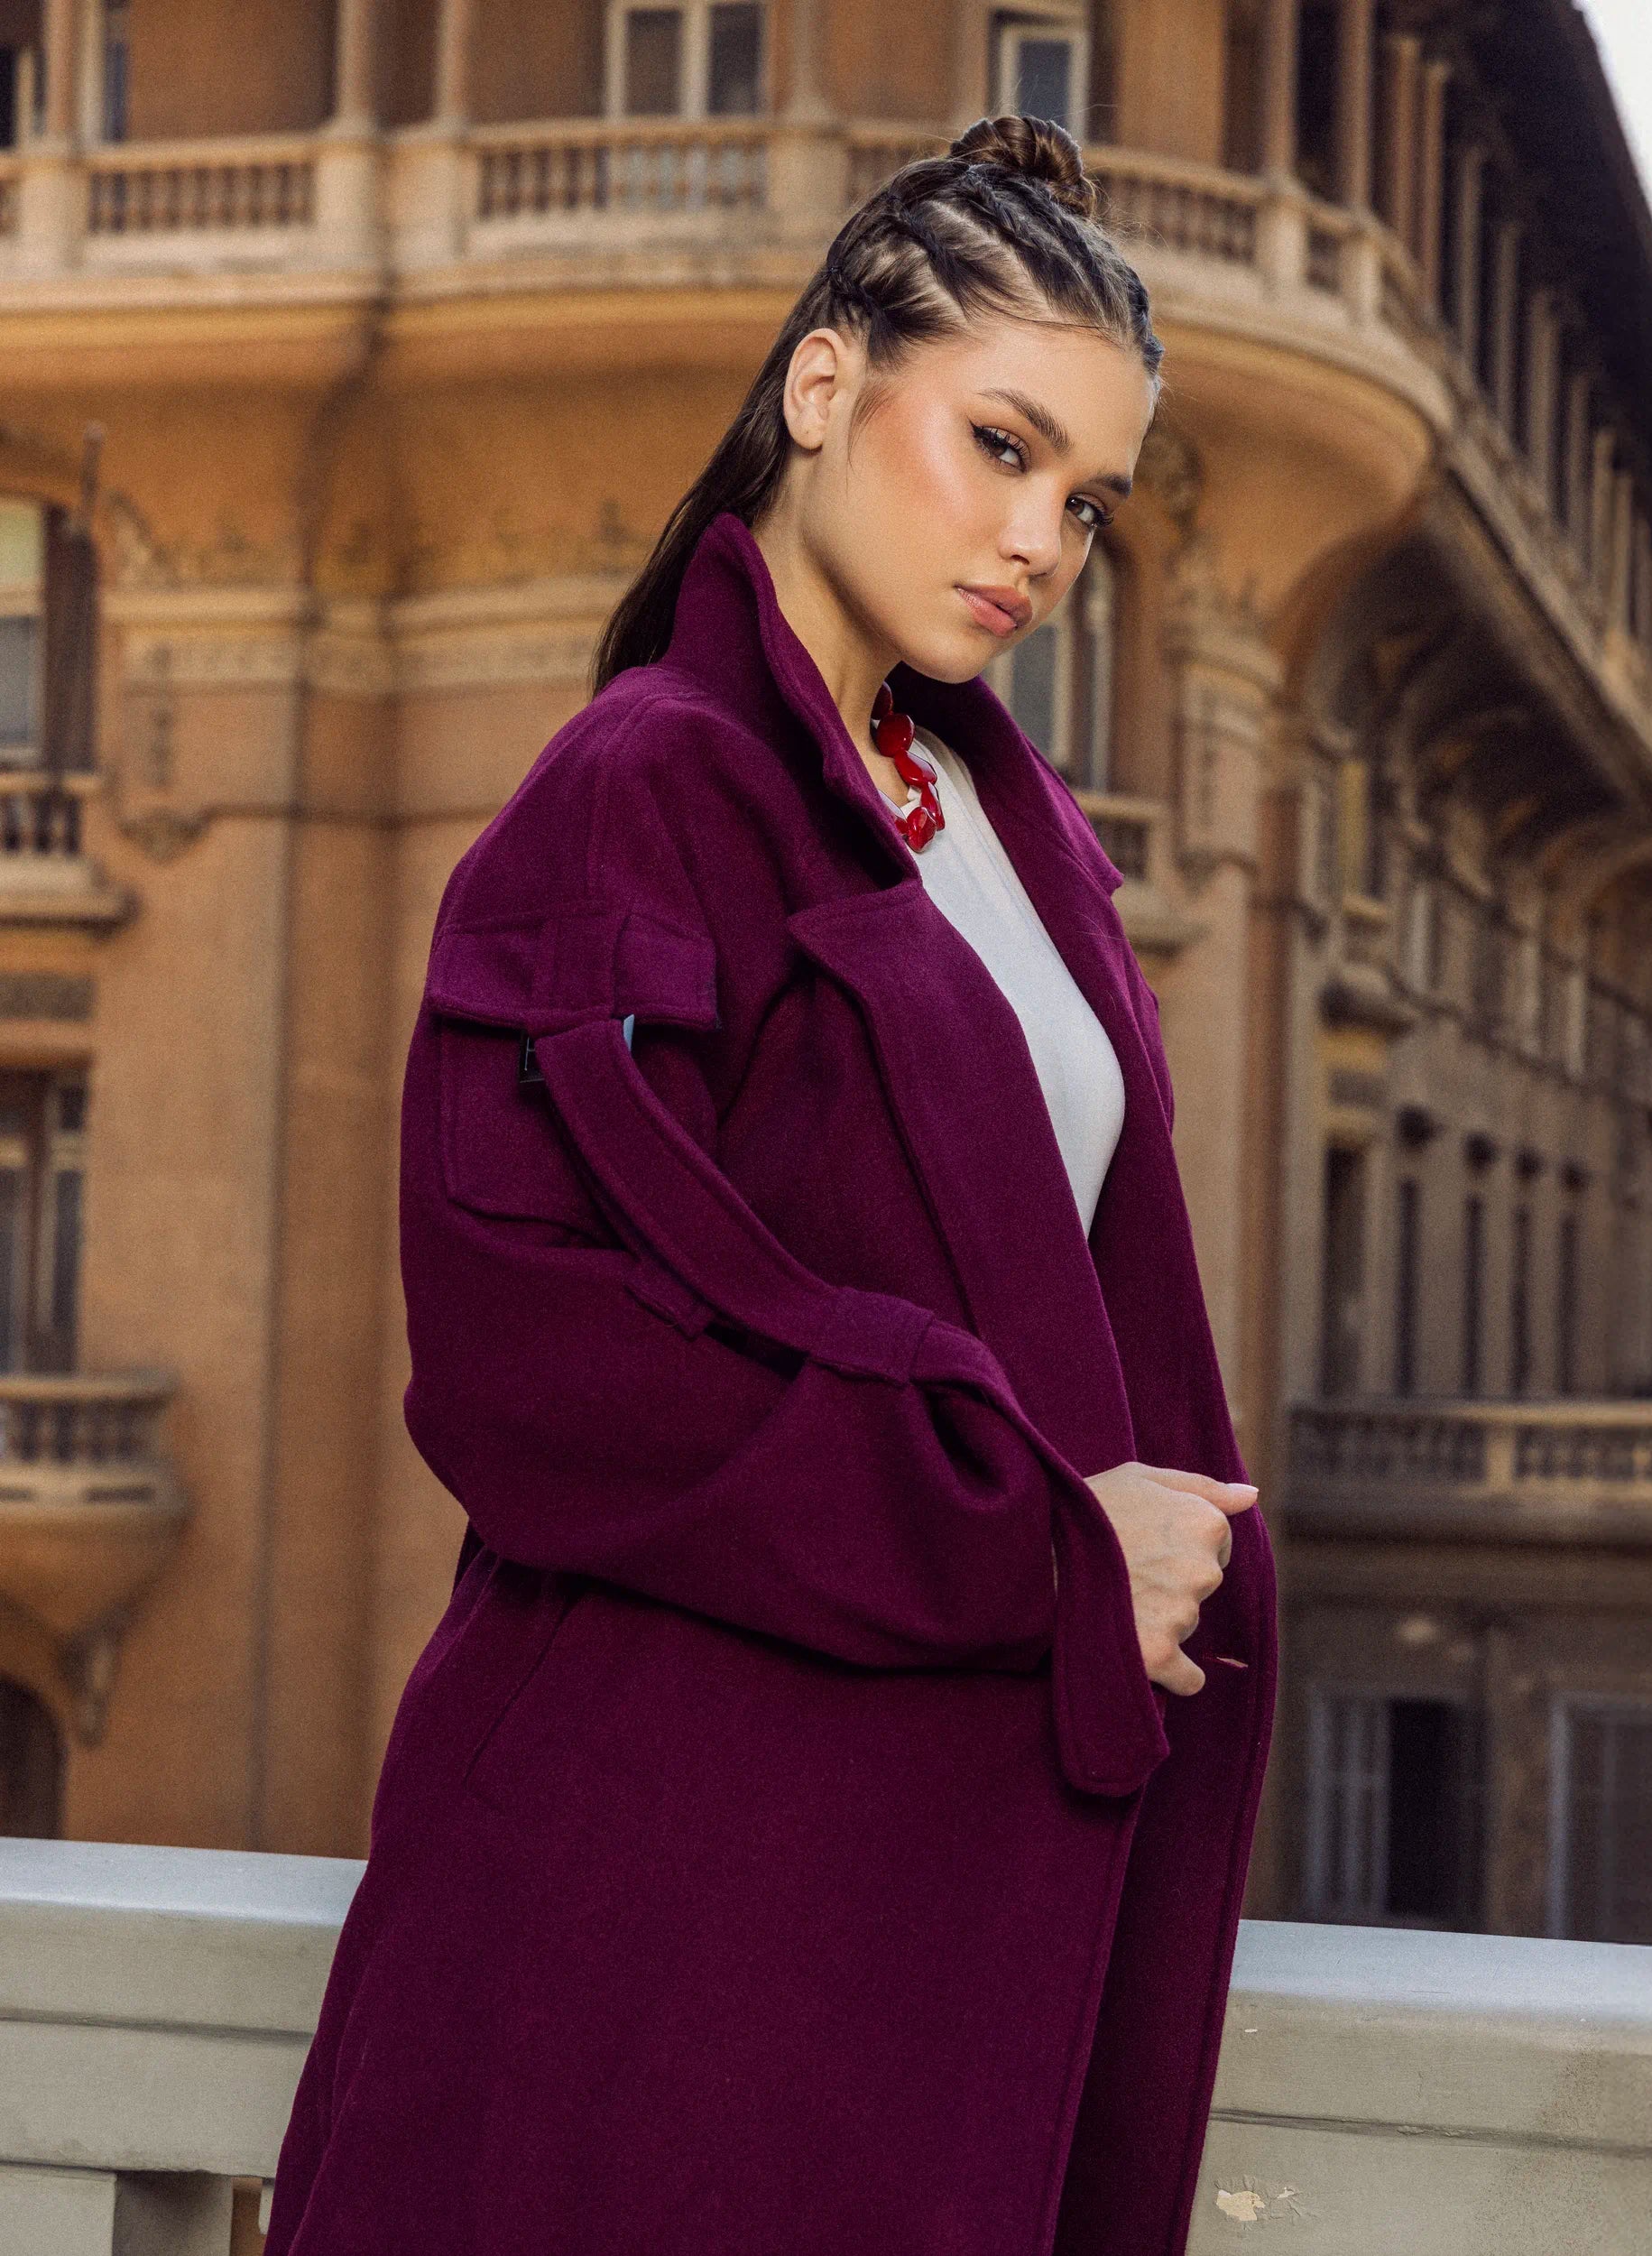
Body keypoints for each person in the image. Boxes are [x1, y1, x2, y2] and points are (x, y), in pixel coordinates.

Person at [263, 113, 1277, 2256]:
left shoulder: (1003, 832)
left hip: (928, 1895)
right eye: (998, 445)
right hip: (667, 1893)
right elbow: (529, 1360)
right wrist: (1032, 1534)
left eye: (1085, 500)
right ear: (824, 384)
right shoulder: (641, 782)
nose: (1036, 541)